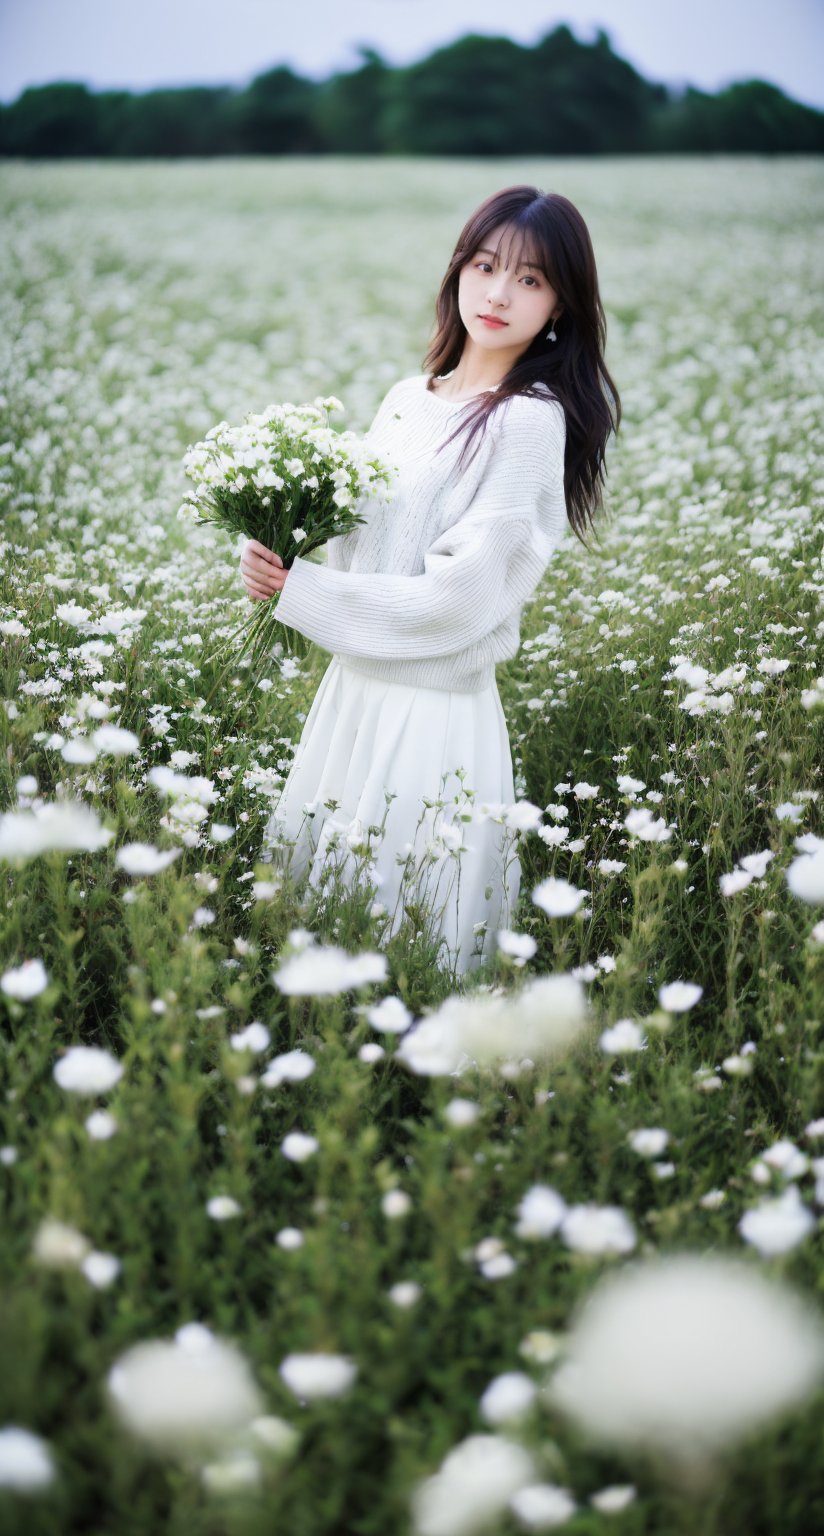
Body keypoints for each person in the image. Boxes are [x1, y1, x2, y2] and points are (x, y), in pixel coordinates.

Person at [240, 183, 621, 977]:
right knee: (314, 938)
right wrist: (275, 550)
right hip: (351, 695)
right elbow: (352, 546)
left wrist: (301, 595)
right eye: (486, 265)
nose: (498, 293)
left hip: (430, 712)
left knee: (410, 947)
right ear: (458, 272)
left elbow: (462, 601)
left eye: (530, 279)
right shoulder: (406, 400)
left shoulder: (528, 419)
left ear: (559, 306)